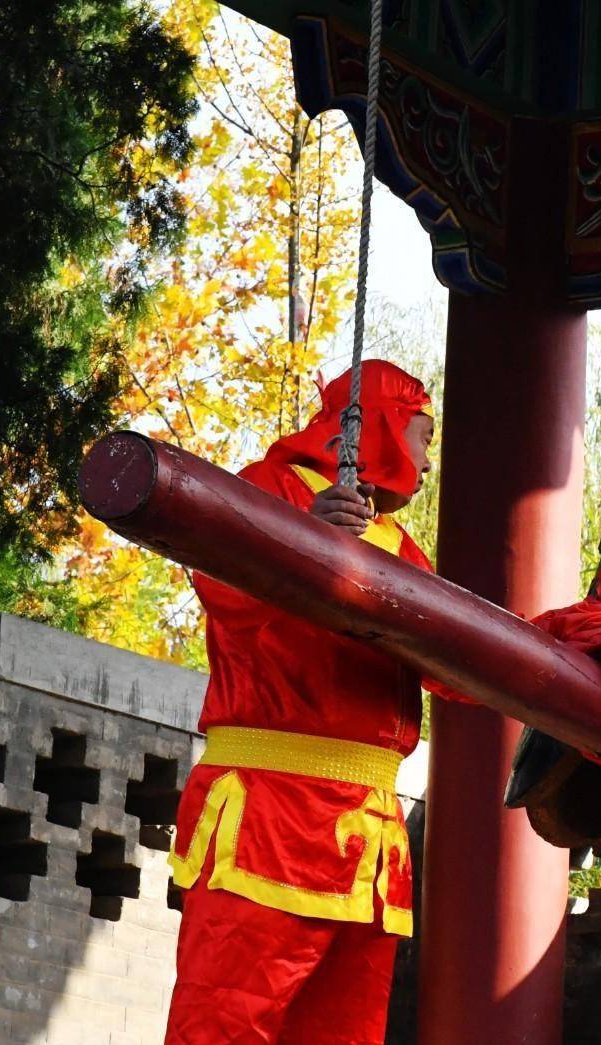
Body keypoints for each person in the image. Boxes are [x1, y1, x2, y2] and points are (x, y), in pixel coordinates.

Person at [165, 360, 438, 1044]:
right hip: (270, 806)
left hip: (370, 833)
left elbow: (457, 670)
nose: (428, 463)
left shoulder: (401, 548)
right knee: (223, 1023)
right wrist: (303, 539)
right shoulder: (270, 490)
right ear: (377, 425)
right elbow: (222, 586)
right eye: (423, 437)